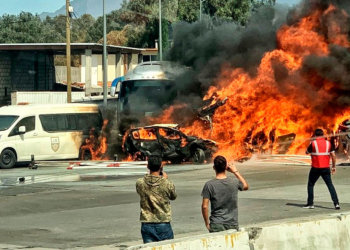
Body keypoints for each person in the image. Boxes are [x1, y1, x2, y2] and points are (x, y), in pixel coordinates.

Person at [201, 155, 249, 233]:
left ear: (214, 167)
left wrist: (207, 223)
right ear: (226, 167)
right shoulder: (234, 182)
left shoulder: (209, 185)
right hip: (232, 223)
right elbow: (246, 186)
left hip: (216, 223)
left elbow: (204, 206)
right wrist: (235, 171)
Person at [136, 155, 177, 243]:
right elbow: (173, 196)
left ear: (148, 166)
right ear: (160, 167)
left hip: (147, 222)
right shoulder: (166, 183)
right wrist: (165, 180)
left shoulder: (140, 182)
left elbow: (139, 192)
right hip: (163, 222)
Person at [303, 128, 340, 210]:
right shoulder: (328, 144)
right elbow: (333, 156)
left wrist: (310, 143)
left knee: (311, 184)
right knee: (330, 185)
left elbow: (306, 152)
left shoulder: (313, 143)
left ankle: (310, 203)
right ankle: (336, 203)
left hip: (315, 168)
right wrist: (333, 167)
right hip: (326, 168)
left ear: (315, 135)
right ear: (323, 135)